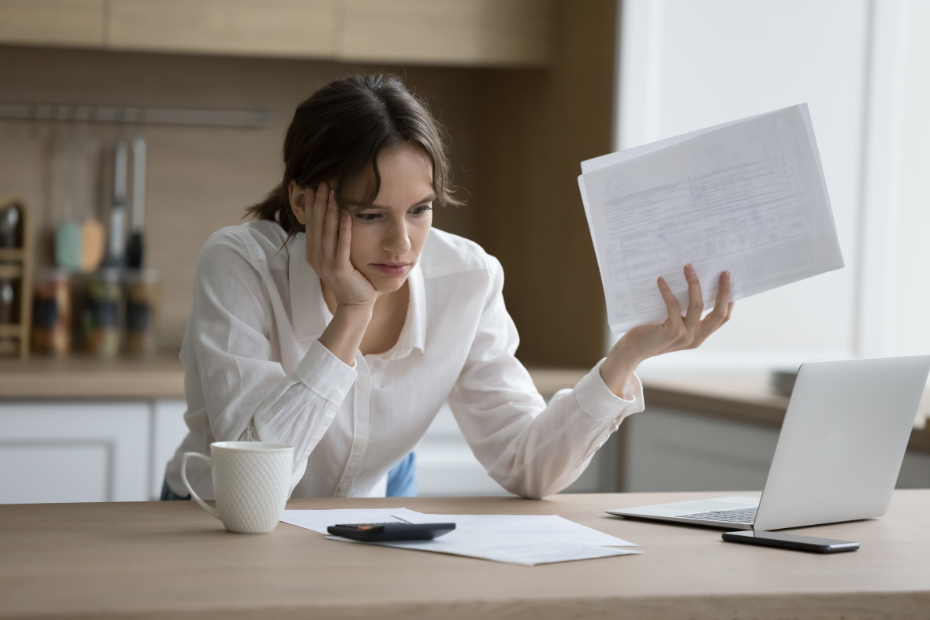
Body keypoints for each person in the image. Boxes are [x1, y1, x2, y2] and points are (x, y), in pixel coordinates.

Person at [162, 73, 733, 502]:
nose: (401, 246)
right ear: (303, 200)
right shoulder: (239, 266)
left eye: (419, 210)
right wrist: (352, 314)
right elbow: (252, 487)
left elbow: (527, 464)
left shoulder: (468, 278)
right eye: (369, 216)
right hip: (210, 527)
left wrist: (626, 356)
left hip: (361, 532)